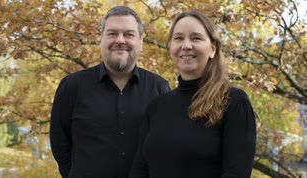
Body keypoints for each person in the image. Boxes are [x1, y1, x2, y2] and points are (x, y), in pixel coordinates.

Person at [129, 10, 256, 178]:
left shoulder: (234, 102)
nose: (186, 45)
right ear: (170, 47)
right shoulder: (157, 106)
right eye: (179, 38)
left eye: (196, 38)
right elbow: (140, 169)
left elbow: (236, 174)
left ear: (213, 48)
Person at [49, 6, 170, 178]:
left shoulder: (159, 88)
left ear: (140, 41)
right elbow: (60, 142)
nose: (120, 40)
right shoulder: (72, 86)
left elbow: (163, 146)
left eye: (129, 34)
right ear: (101, 39)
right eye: (112, 33)